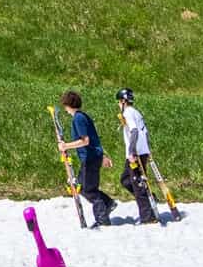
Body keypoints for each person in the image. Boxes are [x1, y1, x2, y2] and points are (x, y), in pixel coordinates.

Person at [57, 90, 118, 226]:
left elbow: (86, 140)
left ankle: (103, 217)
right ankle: (108, 203)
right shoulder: (82, 116)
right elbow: (95, 139)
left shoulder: (78, 118)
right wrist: (102, 156)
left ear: (68, 105)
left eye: (65, 105)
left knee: (87, 189)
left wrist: (66, 146)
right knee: (83, 185)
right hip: (93, 157)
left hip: (90, 158)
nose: (65, 109)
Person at [114, 89, 159, 225]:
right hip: (141, 151)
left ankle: (148, 217)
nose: (118, 105)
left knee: (137, 184)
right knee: (125, 180)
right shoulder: (136, 112)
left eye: (118, 102)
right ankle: (150, 197)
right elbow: (145, 132)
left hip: (136, 153)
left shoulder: (128, 112)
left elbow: (134, 131)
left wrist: (132, 151)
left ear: (123, 101)